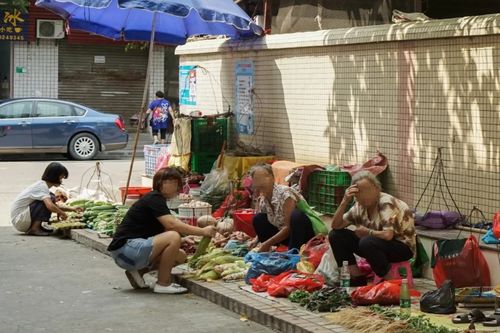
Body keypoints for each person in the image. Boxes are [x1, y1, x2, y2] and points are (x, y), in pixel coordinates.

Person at [107, 167, 216, 294]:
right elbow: (172, 225)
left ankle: (138, 272)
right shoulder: (154, 198)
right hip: (126, 251)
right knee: (173, 236)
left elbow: (159, 234)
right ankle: (163, 284)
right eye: (174, 183)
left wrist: (183, 239)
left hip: (127, 254)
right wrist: (203, 231)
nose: (177, 187)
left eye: (177, 183)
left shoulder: (158, 200)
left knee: (180, 256)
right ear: (161, 184)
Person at [328, 171, 416, 286]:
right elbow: (336, 225)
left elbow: (388, 235)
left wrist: (368, 232)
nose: (364, 195)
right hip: (376, 244)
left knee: (367, 241)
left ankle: (391, 282)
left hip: (402, 247)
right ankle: (356, 277)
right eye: (360, 191)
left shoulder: (386, 202)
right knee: (336, 235)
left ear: (376, 188)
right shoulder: (359, 206)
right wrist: (344, 201)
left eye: (367, 190)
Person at [250, 164, 315, 252]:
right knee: (258, 219)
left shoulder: (285, 194)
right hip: (284, 236)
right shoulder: (263, 199)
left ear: (272, 178)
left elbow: (287, 228)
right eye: (257, 179)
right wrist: (256, 239)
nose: (261, 182)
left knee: (296, 216)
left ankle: (293, 252)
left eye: (264, 177)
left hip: (301, 235)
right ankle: (270, 251)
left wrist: (266, 244)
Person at [10, 162, 81, 236]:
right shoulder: (42, 187)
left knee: (51, 197)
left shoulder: (42, 186)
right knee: (49, 199)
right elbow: (50, 206)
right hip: (20, 220)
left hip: (22, 218)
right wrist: (62, 213)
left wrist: (72, 209)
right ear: (55, 176)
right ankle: (35, 229)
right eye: (61, 178)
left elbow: (54, 206)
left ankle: (36, 226)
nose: (61, 181)